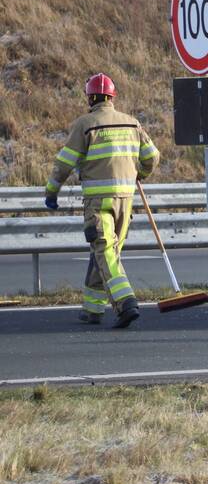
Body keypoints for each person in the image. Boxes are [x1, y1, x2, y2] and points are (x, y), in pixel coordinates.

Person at [45, 73, 160, 328]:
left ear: (90, 97)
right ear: (112, 96)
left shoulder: (85, 124)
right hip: (126, 200)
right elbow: (152, 156)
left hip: (98, 201)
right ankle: (92, 309)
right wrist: (140, 173)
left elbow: (64, 163)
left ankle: (125, 302)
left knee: (104, 250)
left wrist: (52, 192)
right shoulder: (132, 123)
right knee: (107, 250)